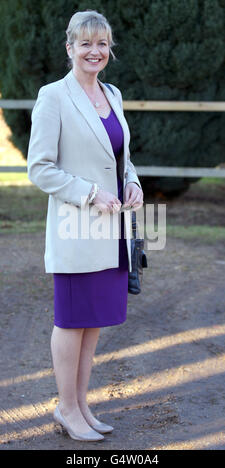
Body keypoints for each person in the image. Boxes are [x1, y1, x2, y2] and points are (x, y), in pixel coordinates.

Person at [27, 10, 144, 442]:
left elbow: (121, 157)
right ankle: (65, 408)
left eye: (102, 44)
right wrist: (91, 193)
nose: (94, 51)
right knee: (72, 320)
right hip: (76, 228)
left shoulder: (112, 93)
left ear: (109, 49)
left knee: (93, 322)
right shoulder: (53, 96)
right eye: (85, 43)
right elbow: (40, 169)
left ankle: (80, 406)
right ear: (70, 47)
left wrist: (132, 183)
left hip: (111, 230)